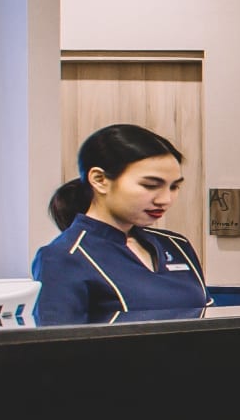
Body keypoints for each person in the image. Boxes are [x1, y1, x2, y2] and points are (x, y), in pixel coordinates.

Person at [32, 125, 209, 326]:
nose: (165, 199)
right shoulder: (65, 256)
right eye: (150, 185)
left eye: (174, 186)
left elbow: (207, 320)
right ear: (99, 180)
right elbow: (59, 342)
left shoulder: (176, 245)